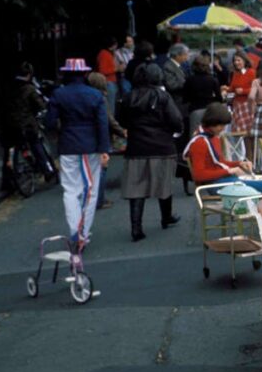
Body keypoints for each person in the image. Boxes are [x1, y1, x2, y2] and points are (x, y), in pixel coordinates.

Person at [183, 103, 262, 226]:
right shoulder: (199, 142)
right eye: (220, 125)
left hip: (224, 179)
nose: (222, 129)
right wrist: (230, 171)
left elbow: (220, 163)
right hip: (215, 185)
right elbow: (198, 175)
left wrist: (239, 163)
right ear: (211, 122)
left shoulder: (212, 137)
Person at [45, 58, 110, 251]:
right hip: (90, 145)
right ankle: (81, 231)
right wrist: (104, 149)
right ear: (84, 74)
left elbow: (49, 122)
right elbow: (102, 124)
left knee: (70, 190)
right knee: (90, 189)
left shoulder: (58, 94)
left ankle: (75, 229)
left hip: (68, 144)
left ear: (65, 74)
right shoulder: (95, 95)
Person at [118, 64, 183, 242]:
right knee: (164, 184)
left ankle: (136, 228)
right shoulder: (162, 96)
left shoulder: (128, 97)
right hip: (162, 145)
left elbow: (122, 120)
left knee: (136, 188)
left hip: (137, 147)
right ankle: (166, 217)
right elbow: (176, 120)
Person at [0, 62, 57, 189]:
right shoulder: (29, 88)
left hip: (8, 124)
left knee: (10, 148)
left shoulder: (8, 86)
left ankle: (8, 180)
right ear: (29, 74)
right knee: (36, 143)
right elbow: (40, 104)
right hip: (26, 124)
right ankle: (47, 170)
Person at [86, 72, 128, 209]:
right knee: (101, 168)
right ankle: (99, 200)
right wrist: (122, 132)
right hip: (100, 135)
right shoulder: (101, 98)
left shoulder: (84, 96)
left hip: (84, 135)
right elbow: (109, 119)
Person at [226, 52, 256, 161]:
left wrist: (243, 91)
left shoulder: (251, 72)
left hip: (247, 105)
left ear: (244, 60)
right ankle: (247, 158)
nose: (236, 63)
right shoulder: (235, 74)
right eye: (235, 60)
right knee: (242, 135)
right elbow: (232, 87)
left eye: (239, 60)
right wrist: (226, 89)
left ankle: (251, 158)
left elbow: (255, 89)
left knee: (249, 134)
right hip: (238, 106)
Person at [185, 54, 222, 135]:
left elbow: (185, 97)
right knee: (212, 135)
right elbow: (219, 98)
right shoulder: (213, 79)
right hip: (210, 110)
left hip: (195, 109)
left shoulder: (189, 80)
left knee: (195, 135)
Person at [96, 36, 119, 113]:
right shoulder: (104, 54)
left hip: (111, 82)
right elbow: (102, 70)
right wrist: (117, 69)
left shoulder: (107, 54)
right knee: (110, 108)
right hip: (108, 83)